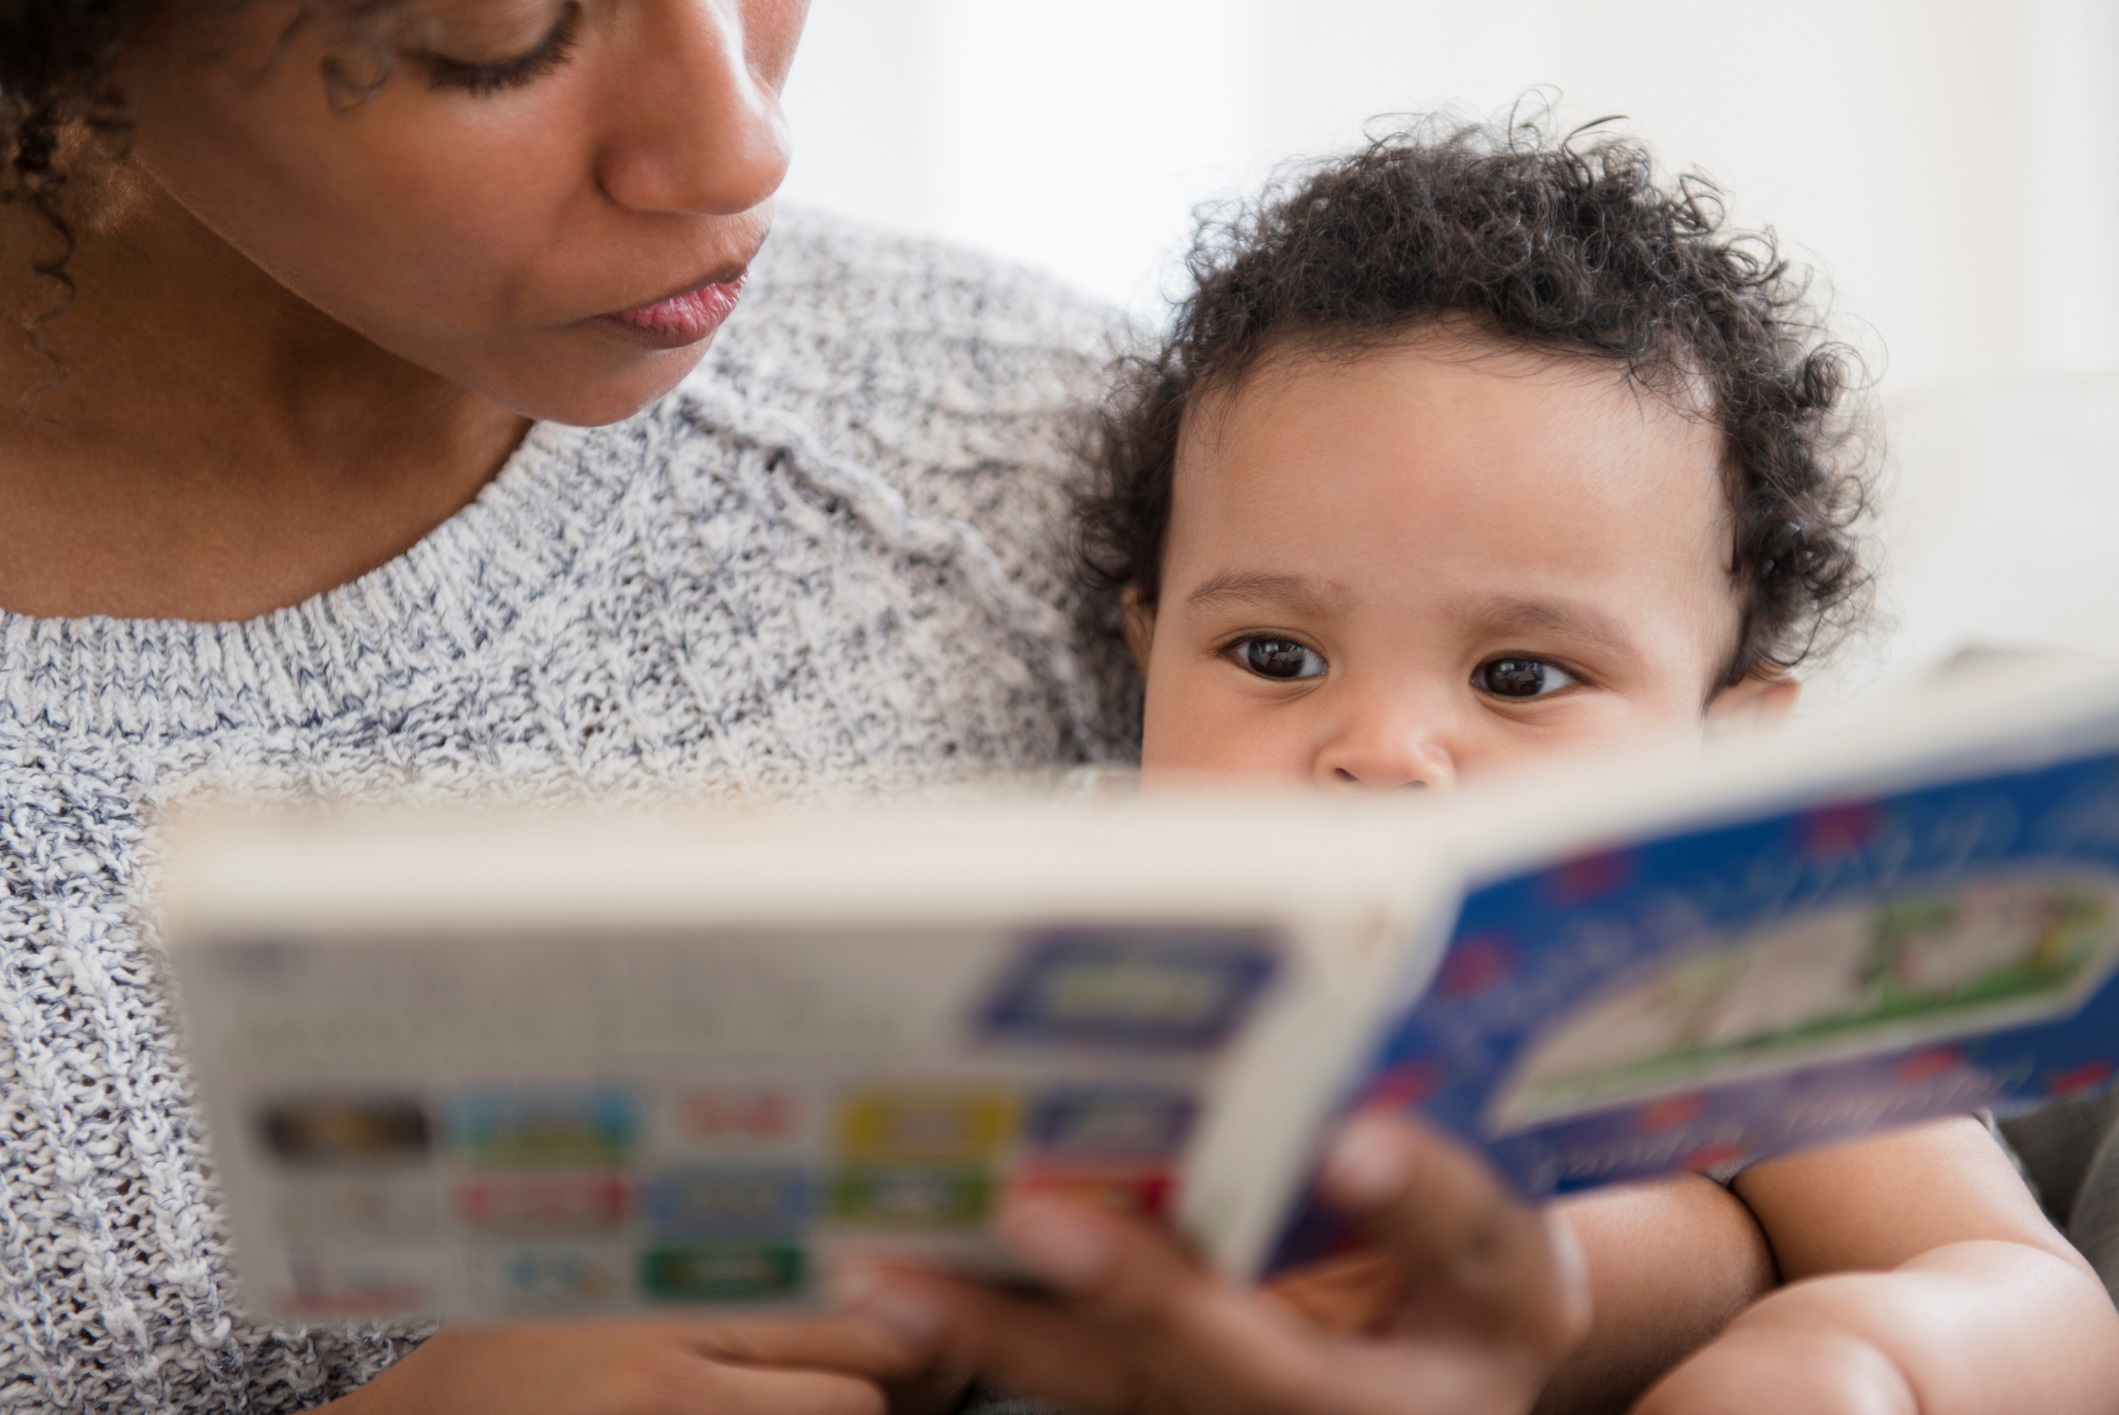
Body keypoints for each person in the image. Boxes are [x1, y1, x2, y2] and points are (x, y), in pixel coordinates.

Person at [846, 121, 2119, 1413]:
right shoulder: (1058, 942)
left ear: (1722, 756)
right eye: (1276, 654)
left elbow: (2025, 1290)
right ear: (1146, 651)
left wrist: (1858, 1361)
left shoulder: (1713, 989)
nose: (1384, 754)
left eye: (1520, 677)